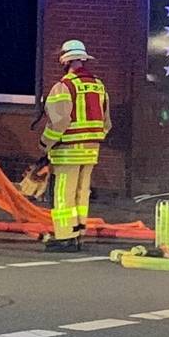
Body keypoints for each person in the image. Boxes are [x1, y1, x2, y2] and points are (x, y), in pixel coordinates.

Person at [38, 39, 111, 251]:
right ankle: (78, 234)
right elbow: (106, 123)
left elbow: (58, 122)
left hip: (68, 151)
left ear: (65, 61)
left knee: (63, 194)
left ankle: (64, 237)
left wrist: (45, 144)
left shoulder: (64, 86)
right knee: (81, 192)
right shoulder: (99, 86)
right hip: (91, 150)